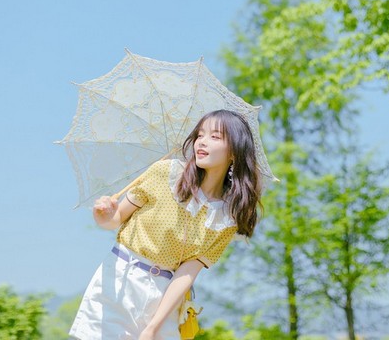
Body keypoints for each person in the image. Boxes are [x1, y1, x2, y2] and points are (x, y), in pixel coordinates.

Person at [69, 109, 263, 340]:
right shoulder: (166, 173)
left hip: (164, 296)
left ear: (234, 153)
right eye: (200, 135)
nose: (202, 142)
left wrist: (153, 327)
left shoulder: (226, 217)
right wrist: (103, 215)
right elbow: (115, 219)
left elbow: (186, 274)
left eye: (215, 136)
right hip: (119, 280)